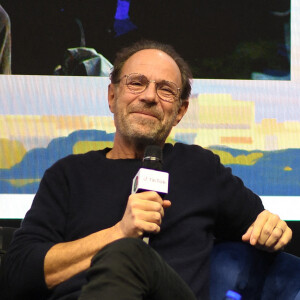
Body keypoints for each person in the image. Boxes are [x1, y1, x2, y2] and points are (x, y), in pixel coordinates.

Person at [3, 40, 292, 299]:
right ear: (112, 97)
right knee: (125, 249)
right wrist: (119, 232)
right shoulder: (67, 175)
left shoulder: (200, 168)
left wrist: (274, 228)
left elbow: (264, 225)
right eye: (136, 83)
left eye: (165, 90)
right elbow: (18, 273)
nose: (150, 96)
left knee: (128, 255)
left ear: (179, 112)